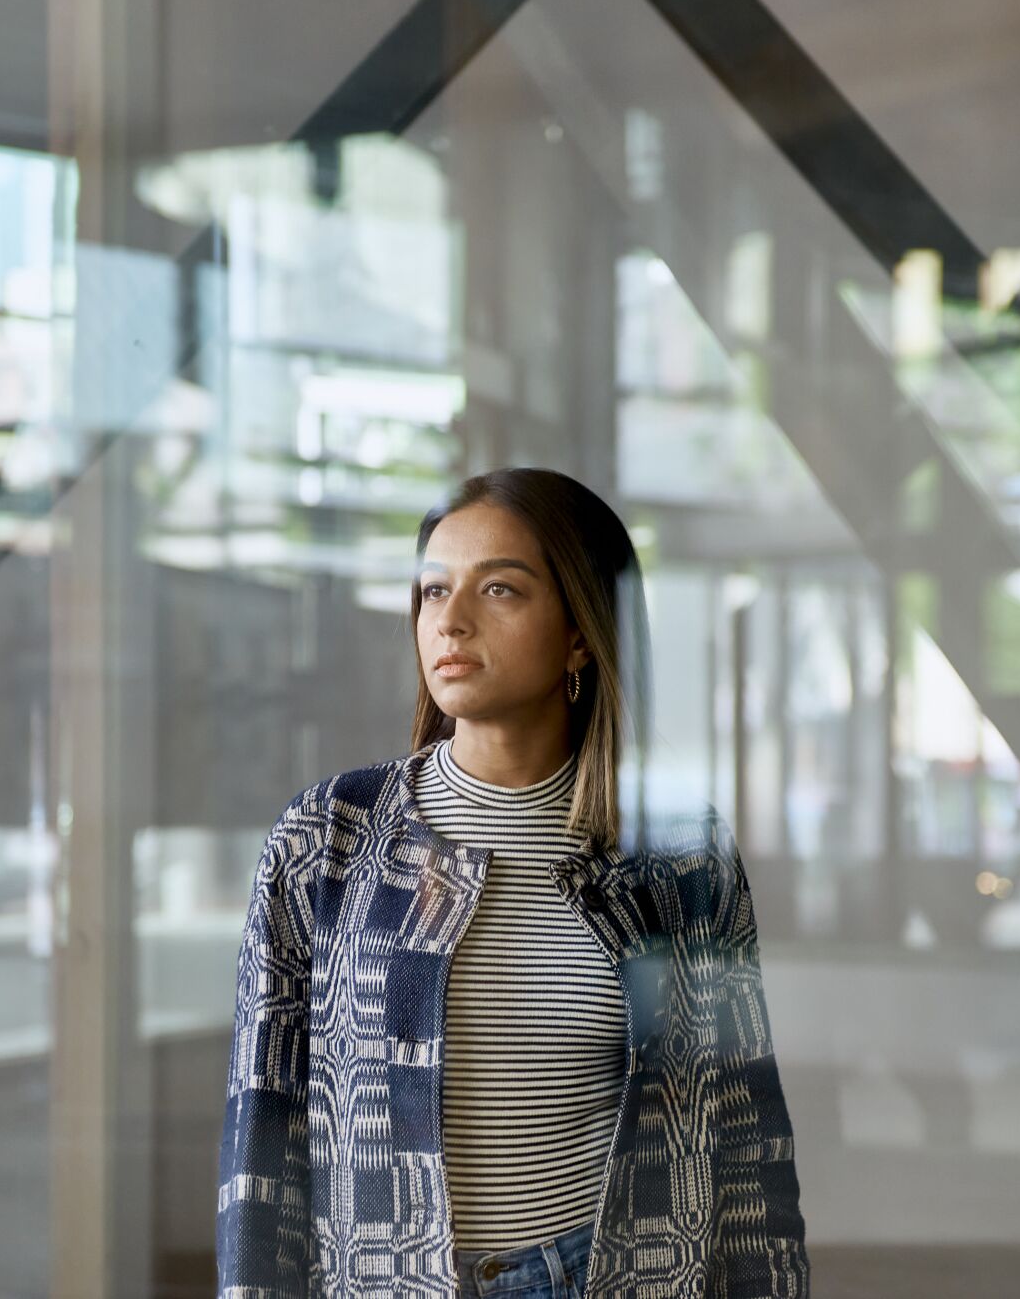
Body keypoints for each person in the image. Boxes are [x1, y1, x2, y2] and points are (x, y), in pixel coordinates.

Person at [216, 467, 810, 1298]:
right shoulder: (329, 838)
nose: (450, 620)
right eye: (432, 591)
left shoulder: (677, 854)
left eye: (500, 588)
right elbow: (262, 1137)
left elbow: (744, 1138)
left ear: (580, 631)